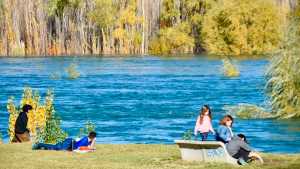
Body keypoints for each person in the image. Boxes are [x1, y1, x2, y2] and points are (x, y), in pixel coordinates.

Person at [32, 131, 97, 151]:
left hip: (70, 143)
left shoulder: (88, 140)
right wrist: (91, 148)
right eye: (94, 138)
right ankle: (39, 144)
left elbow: (90, 147)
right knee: (56, 148)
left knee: (55, 147)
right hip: (68, 143)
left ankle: (41, 146)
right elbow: (80, 148)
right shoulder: (85, 140)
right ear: (92, 137)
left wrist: (93, 143)